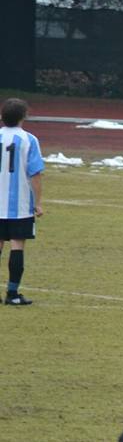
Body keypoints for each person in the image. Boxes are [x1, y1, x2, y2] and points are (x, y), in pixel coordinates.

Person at [0, 98, 44, 306]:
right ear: (23, 117)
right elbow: (35, 173)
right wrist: (38, 202)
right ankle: (12, 294)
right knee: (17, 245)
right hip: (20, 204)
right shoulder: (29, 140)